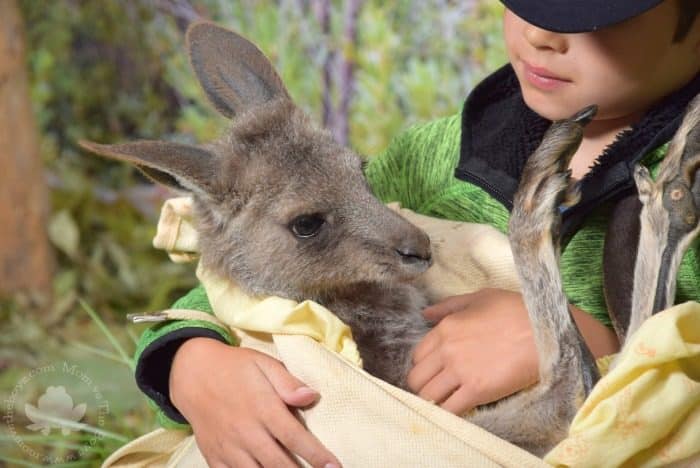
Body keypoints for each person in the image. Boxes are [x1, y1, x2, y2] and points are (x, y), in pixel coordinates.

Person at [132, 1, 700, 466]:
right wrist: (192, 365)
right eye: (525, 2)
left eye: (589, 14)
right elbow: (256, 272)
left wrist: (586, 337)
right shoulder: (435, 155)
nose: (539, 33)